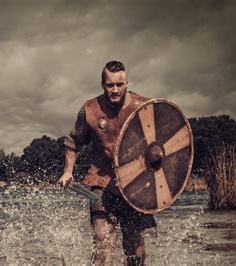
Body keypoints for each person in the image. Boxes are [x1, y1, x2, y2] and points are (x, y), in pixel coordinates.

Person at [58, 61, 155, 265]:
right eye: (110, 85)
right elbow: (74, 141)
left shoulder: (144, 107)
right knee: (102, 239)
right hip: (101, 180)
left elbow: (161, 143)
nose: (115, 90)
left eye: (119, 84)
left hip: (134, 185)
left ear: (127, 83)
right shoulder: (90, 110)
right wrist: (68, 171)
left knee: (135, 249)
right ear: (103, 84)